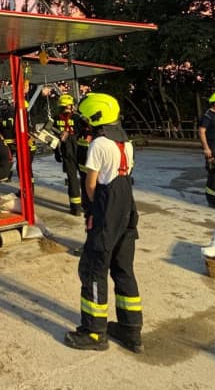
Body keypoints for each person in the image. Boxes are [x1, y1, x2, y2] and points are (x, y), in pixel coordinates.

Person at [64, 93, 143, 353]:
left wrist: (93, 211)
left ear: (96, 117)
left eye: (87, 118)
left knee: (93, 270)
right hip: (127, 211)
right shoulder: (126, 143)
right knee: (123, 270)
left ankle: (95, 333)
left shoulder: (99, 144)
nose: (84, 123)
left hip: (107, 213)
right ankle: (131, 331)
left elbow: (91, 184)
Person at [55, 94, 83, 216]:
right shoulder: (78, 118)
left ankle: (76, 208)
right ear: (70, 105)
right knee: (85, 178)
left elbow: (54, 139)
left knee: (72, 180)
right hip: (80, 152)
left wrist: (57, 153)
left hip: (67, 152)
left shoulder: (56, 119)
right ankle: (87, 205)